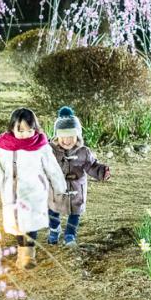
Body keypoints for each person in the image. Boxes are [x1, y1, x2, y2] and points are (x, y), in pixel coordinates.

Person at [0, 107, 67, 269]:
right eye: (20, 130)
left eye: (29, 130)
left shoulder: (41, 146)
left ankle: (28, 256)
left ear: (35, 129)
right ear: (12, 128)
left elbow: (52, 168)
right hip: (12, 193)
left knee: (30, 223)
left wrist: (59, 186)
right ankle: (22, 251)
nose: (25, 134)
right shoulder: (4, 148)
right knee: (18, 225)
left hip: (35, 192)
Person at [48, 105, 111, 246]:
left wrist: (102, 172)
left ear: (77, 135)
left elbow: (92, 165)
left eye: (71, 135)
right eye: (63, 136)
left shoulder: (83, 152)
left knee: (75, 213)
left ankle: (70, 235)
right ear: (57, 136)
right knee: (52, 210)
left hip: (76, 189)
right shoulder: (50, 151)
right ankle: (54, 229)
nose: (67, 140)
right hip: (56, 189)